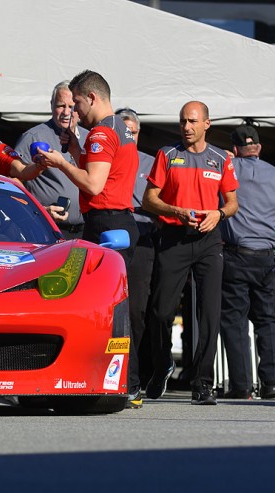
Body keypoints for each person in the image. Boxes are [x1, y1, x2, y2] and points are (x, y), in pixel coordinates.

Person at [142, 100, 239, 405]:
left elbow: (233, 202)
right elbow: (148, 199)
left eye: (193, 121)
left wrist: (219, 214)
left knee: (208, 313)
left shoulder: (221, 158)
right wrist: (176, 211)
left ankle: (203, 383)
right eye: (183, 121)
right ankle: (161, 368)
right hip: (173, 237)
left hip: (209, 240)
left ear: (206, 124)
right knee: (159, 311)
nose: (186, 127)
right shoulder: (168, 155)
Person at [37, 70, 139, 264]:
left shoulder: (101, 133)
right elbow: (109, 172)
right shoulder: (120, 127)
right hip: (118, 221)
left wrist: (61, 163)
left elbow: (93, 184)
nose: (75, 110)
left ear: (92, 98)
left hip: (106, 223)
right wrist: (76, 150)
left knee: (101, 290)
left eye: (77, 102)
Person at [219, 124, 275, 399]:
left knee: (235, 322)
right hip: (267, 257)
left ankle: (241, 387)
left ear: (235, 149)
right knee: (267, 321)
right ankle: (273, 384)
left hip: (237, 255)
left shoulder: (228, 169)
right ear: (258, 147)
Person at [116, 107, 157, 405]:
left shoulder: (152, 164)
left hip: (143, 240)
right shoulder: (105, 158)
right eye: (124, 130)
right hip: (113, 237)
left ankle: (136, 377)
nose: (129, 136)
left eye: (133, 131)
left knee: (138, 313)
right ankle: (118, 378)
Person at [14, 81, 88, 239]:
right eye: (61, 105)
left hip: (85, 230)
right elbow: (13, 179)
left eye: (72, 106)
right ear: (51, 105)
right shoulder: (34, 137)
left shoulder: (90, 138)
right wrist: (39, 209)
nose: (66, 112)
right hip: (46, 229)